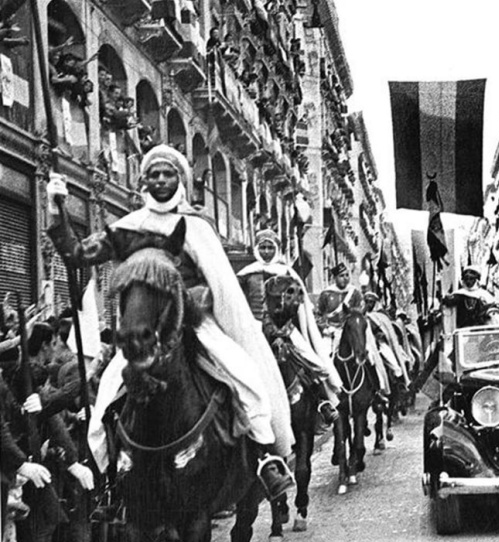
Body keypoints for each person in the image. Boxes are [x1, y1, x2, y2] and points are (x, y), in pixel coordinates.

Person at [46, 145, 294, 499]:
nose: (161, 180)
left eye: (168, 174)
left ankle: (264, 457)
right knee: (106, 398)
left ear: (180, 180)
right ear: (144, 180)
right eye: (154, 174)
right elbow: (77, 254)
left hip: (192, 324)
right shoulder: (128, 227)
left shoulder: (197, 226)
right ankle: (111, 477)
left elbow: (216, 283)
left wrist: (195, 299)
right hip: (143, 332)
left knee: (245, 377)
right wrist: (57, 208)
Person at [237, 229, 341, 426]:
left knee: (313, 361)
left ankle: (322, 401)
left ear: (276, 249)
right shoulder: (245, 275)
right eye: (262, 247)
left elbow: (300, 303)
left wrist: (288, 323)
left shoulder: (287, 273)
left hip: (284, 327)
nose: (266, 252)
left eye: (270, 247)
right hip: (255, 329)